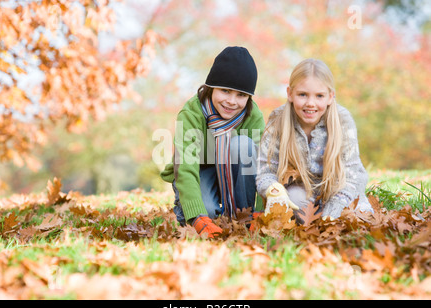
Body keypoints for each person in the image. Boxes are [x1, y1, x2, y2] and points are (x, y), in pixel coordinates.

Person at [160, 46, 265, 238]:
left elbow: (262, 166)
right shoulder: (192, 113)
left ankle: (244, 216)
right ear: (211, 87)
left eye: (241, 95)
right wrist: (198, 216)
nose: (232, 101)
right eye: (225, 91)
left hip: (234, 170)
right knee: (206, 212)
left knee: (244, 146)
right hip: (199, 170)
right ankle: (187, 209)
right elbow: (185, 165)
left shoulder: (252, 115)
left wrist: (260, 210)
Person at [257, 58, 373, 223]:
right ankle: (310, 218)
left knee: (359, 216)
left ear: (330, 96)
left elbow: (354, 175)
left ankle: (329, 215)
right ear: (290, 94)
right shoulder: (278, 119)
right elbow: (265, 171)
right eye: (302, 94)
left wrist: (333, 211)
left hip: (339, 191)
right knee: (295, 200)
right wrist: (272, 189)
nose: (310, 103)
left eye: (319, 96)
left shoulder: (342, 120)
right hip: (301, 193)